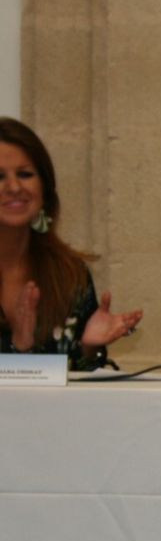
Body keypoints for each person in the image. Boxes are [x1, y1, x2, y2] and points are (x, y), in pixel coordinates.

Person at [0, 118, 141, 368]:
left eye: (25, 174)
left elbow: (75, 379)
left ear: (44, 188)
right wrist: (18, 345)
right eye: (0, 176)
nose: (14, 187)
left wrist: (88, 348)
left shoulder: (69, 274)